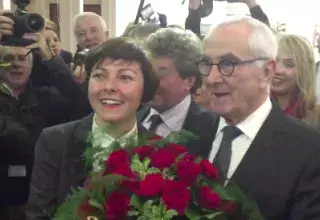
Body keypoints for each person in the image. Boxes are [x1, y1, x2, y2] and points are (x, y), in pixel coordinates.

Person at [200, 17, 320, 219]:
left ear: (267, 71)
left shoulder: (309, 150)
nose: (211, 78)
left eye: (228, 64)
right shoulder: (193, 132)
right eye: (205, 64)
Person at [26, 37, 159, 219]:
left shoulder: (160, 150)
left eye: (125, 77)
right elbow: (38, 214)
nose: (109, 87)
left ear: (146, 89)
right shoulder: (55, 141)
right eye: (99, 75)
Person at [271, 33, 320, 129]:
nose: (278, 70)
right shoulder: (251, 107)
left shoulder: (316, 118)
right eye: (274, 61)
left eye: (289, 64)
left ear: (305, 71)